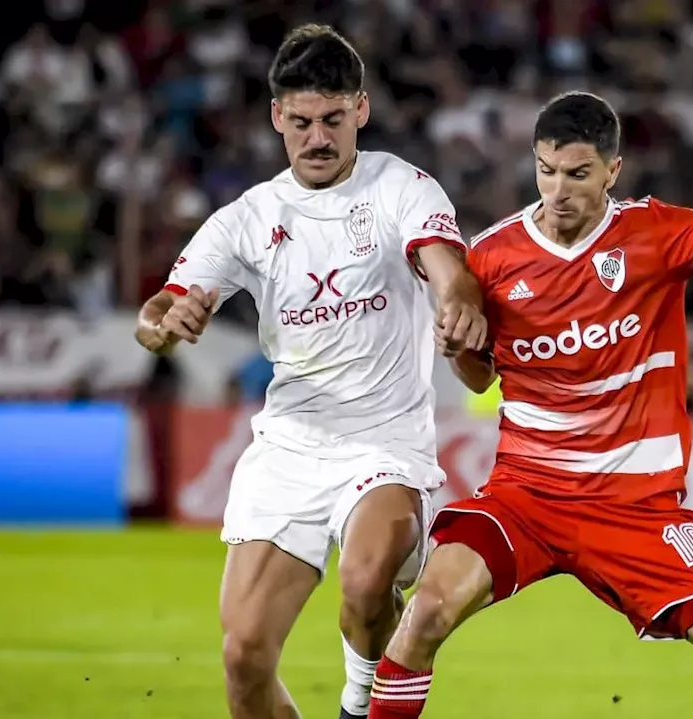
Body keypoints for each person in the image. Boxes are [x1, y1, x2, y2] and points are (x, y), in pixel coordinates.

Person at [367, 92, 693, 719]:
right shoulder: (494, 257)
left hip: (635, 506)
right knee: (426, 612)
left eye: (578, 174)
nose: (558, 189)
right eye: (546, 169)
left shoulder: (656, 234)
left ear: (613, 171)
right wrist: (456, 347)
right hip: (527, 494)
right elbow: (479, 379)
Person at [133, 25, 486, 719]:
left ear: (361, 108)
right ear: (276, 118)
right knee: (244, 658)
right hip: (290, 447)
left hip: (385, 443)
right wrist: (164, 324)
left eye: (331, 120)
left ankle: (359, 704)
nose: (317, 138)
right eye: (300, 122)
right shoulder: (248, 217)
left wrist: (456, 300)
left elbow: (447, 266)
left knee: (365, 575)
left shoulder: (400, 187)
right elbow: (160, 307)